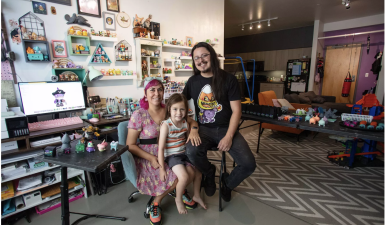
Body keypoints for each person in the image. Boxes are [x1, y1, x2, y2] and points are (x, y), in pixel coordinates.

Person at [182, 42, 256, 202]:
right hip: (203, 129)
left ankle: (227, 184)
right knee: (191, 152)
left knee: (248, 164)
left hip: (226, 129)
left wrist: (229, 136)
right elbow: (179, 107)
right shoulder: (192, 82)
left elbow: (237, 111)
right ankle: (209, 173)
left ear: (212, 56)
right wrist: (193, 126)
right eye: (196, 58)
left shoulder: (228, 79)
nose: (200, 60)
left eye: (204, 55)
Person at [126, 78, 201, 225]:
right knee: (177, 175)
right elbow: (130, 145)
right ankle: (156, 203)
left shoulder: (168, 110)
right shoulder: (138, 115)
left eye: (160, 89)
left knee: (191, 171)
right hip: (148, 157)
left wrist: (194, 130)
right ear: (145, 93)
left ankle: (176, 191)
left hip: (171, 152)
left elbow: (190, 120)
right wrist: (152, 158)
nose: (156, 93)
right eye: (152, 90)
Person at [158, 93, 207, 214]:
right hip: (172, 156)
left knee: (199, 173)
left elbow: (191, 129)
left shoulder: (185, 122)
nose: (178, 113)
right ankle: (178, 199)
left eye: (182, 109)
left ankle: (196, 195)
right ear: (169, 109)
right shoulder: (166, 125)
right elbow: (160, 148)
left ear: (186, 110)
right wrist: (161, 168)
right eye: (175, 109)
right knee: (184, 176)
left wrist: (193, 131)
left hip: (184, 153)